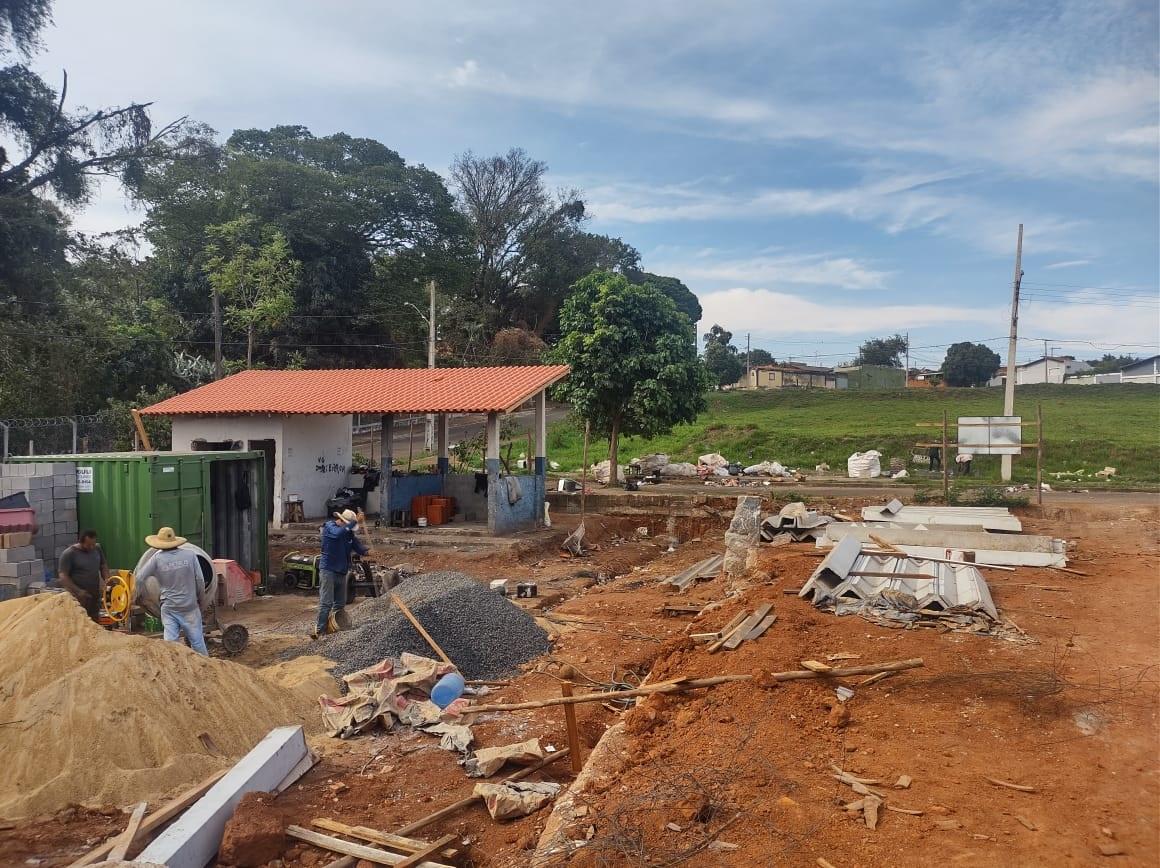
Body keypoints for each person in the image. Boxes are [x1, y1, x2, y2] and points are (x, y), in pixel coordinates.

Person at [135, 526, 208, 655]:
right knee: (197, 642)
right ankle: (208, 670)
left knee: (171, 645)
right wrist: (201, 600)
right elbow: (200, 580)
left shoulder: (157, 558)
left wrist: (139, 596)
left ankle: (174, 671)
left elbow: (140, 578)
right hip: (189, 606)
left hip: (170, 608)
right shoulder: (190, 555)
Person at [314, 508, 368, 640]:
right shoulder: (330, 527)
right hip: (328, 570)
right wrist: (355, 522)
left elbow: (359, 548)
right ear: (342, 521)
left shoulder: (348, 534)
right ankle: (320, 631)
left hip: (341, 571)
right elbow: (338, 534)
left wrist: (368, 552)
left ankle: (334, 627)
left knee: (340, 603)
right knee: (326, 602)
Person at [58, 529, 109, 622]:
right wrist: (78, 591)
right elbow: (63, 576)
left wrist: (106, 579)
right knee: (79, 622)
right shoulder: (69, 554)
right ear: (81, 542)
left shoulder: (97, 549)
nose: (92, 547)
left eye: (94, 544)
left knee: (94, 621)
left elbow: (103, 565)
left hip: (94, 595)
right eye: (89, 545)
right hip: (79, 597)